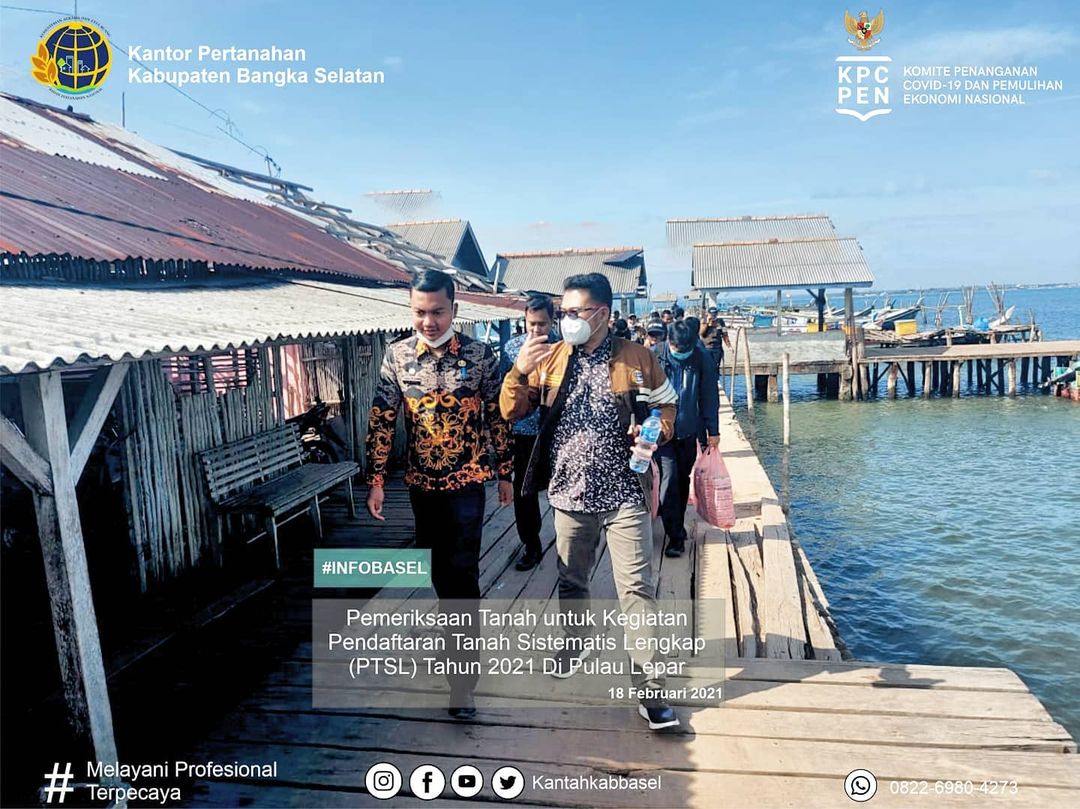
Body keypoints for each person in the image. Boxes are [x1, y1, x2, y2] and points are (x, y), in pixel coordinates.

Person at [501, 272, 682, 731]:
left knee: (636, 589)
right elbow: (511, 411)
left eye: (573, 312)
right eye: (562, 312)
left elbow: (668, 406)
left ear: (601, 314)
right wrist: (518, 371)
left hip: (625, 491)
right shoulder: (550, 358)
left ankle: (651, 687)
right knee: (571, 579)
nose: (565, 320)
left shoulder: (637, 357)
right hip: (568, 491)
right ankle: (575, 640)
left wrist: (654, 430)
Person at [366, 269, 514, 719]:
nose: (428, 322)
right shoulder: (396, 356)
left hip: (468, 484)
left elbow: (497, 415)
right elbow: (382, 417)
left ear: (455, 309)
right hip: (421, 487)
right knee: (440, 576)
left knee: (462, 576)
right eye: (420, 312)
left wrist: (505, 471)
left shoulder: (480, 356)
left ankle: (462, 685)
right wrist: (376, 478)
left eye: (437, 312)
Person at [498, 294, 559, 571]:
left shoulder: (564, 348)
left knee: (562, 490)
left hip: (556, 432)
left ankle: (567, 545)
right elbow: (503, 390)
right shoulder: (512, 348)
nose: (536, 329)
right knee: (525, 492)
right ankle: (531, 545)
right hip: (523, 432)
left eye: (542, 324)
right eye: (531, 323)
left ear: (552, 321)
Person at [656, 321, 720, 558]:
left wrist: (713, 431)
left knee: (682, 481)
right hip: (661, 434)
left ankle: (676, 524)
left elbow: (709, 395)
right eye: (676, 348)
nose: (680, 352)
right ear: (669, 341)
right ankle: (675, 537)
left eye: (685, 348)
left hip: (687, 430)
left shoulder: (700, 358)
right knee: (669, 479)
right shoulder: (655, 357)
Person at [700, 308, 732, 372]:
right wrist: (707, 324)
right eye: (712, 314)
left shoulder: (721, 322)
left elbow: (725, 334)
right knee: (706, 367)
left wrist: (729, 346)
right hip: (706, 348)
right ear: (708, 314)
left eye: (715, 314)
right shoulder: (704, 321)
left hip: (717, 348)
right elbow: (702, 333)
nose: (713, 316)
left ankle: (716, 377)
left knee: (716, 367)